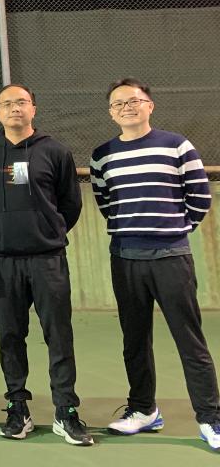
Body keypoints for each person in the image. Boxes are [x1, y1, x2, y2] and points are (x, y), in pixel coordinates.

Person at [91, 78, 220, 450]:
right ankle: (144, 410)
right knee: (134, 340)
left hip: (171, 258)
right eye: (118, 104)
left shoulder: (177, 145)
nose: (126, 108)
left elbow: (199, 197)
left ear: (149, 105)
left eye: (134, 100)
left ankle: (210, 418)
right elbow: (105, 201)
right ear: (111, 113)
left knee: (189, 341)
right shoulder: (102, 155)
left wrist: (174, 230)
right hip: (125, 259)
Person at [0, 85, 92, 446]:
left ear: (33, 108)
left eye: (21, 102)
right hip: (3, 262)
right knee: (10, 336)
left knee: (58, 335)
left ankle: (65, 411)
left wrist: (46, 233)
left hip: (48, 260)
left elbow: (70, 204)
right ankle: (17, 407)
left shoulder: (55, 151)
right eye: (6, 104)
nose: (15, 108)